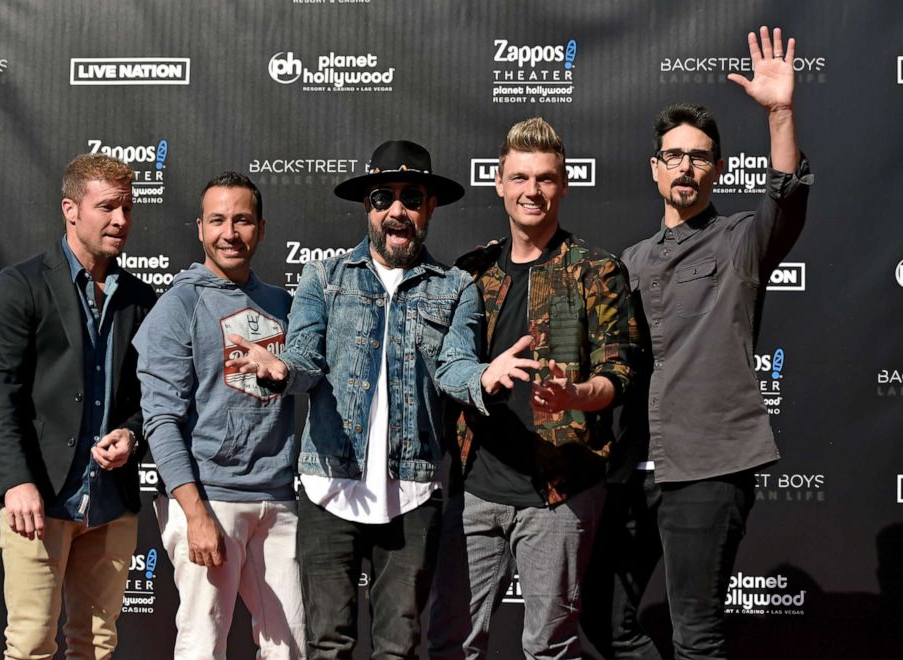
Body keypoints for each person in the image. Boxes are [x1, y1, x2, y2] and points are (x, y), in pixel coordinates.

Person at [226, 140, 539, 659]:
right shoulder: (324, 279)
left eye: (410, 196)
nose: (397, 209)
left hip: (412, 493)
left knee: (398, 649)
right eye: (382, 197)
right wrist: (281, 369)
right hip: (330, 487)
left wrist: (482, 378)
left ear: (429, 206)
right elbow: (305, 358)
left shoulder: (456, 287)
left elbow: (452, 366)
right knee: (329, 646)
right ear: (367, 207)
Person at [600, 26, 813, 660]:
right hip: (632, 466)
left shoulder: (742, 240)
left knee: (697, 637)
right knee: (607, 622)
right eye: (674, 155)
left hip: (710, 467)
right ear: (656, 168)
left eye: (699, 156)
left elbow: (788, 199)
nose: (685, 167)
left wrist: (780, 114)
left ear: (717, 168)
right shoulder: (628, 261)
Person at [427, 117, 637, 660]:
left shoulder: (596, 270)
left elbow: (617, 374)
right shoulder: (470, 273)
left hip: (559, 494)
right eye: (520, 178)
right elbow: (449, 367)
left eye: (545, 178)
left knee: (549, 648)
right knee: (451, 643)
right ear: (499, 184)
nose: (532, 191)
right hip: (475, 487)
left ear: (563, 185)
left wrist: (576, 394)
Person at [0, 153, 157, 659]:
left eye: (127, 207)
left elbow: (151, 396)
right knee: (32, 642)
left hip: (110, 503)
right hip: (40, 499)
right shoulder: (22, 286)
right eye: (107, 207)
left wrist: (132, 434)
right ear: (70, 209)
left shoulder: (141, 299)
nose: (121, 220)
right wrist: (16, 480)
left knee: (96, 646)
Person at [133, 172, 306, 659]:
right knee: (202, 645)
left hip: (277, 500)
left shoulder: (282, 304)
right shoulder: (178, 305)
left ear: (262, 229)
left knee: (292, 646)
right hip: (210, 500)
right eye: (218, 220)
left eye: (242, 220)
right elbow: (160, 419)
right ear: (200, 228)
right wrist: (194, 512)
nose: (230, 232)